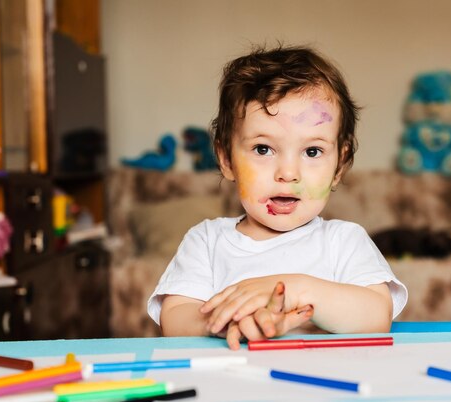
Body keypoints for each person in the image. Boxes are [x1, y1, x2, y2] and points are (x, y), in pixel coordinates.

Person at [147, 45, 407, 349]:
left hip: (323, 388)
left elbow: (377, 315)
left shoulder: (344, 241)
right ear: (226, 159)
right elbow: (174, 318)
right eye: (263, 149)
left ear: (339, 165)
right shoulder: (206, 241)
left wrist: (295, 289)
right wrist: (228, 320)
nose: (287, 173)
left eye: (312, 151)